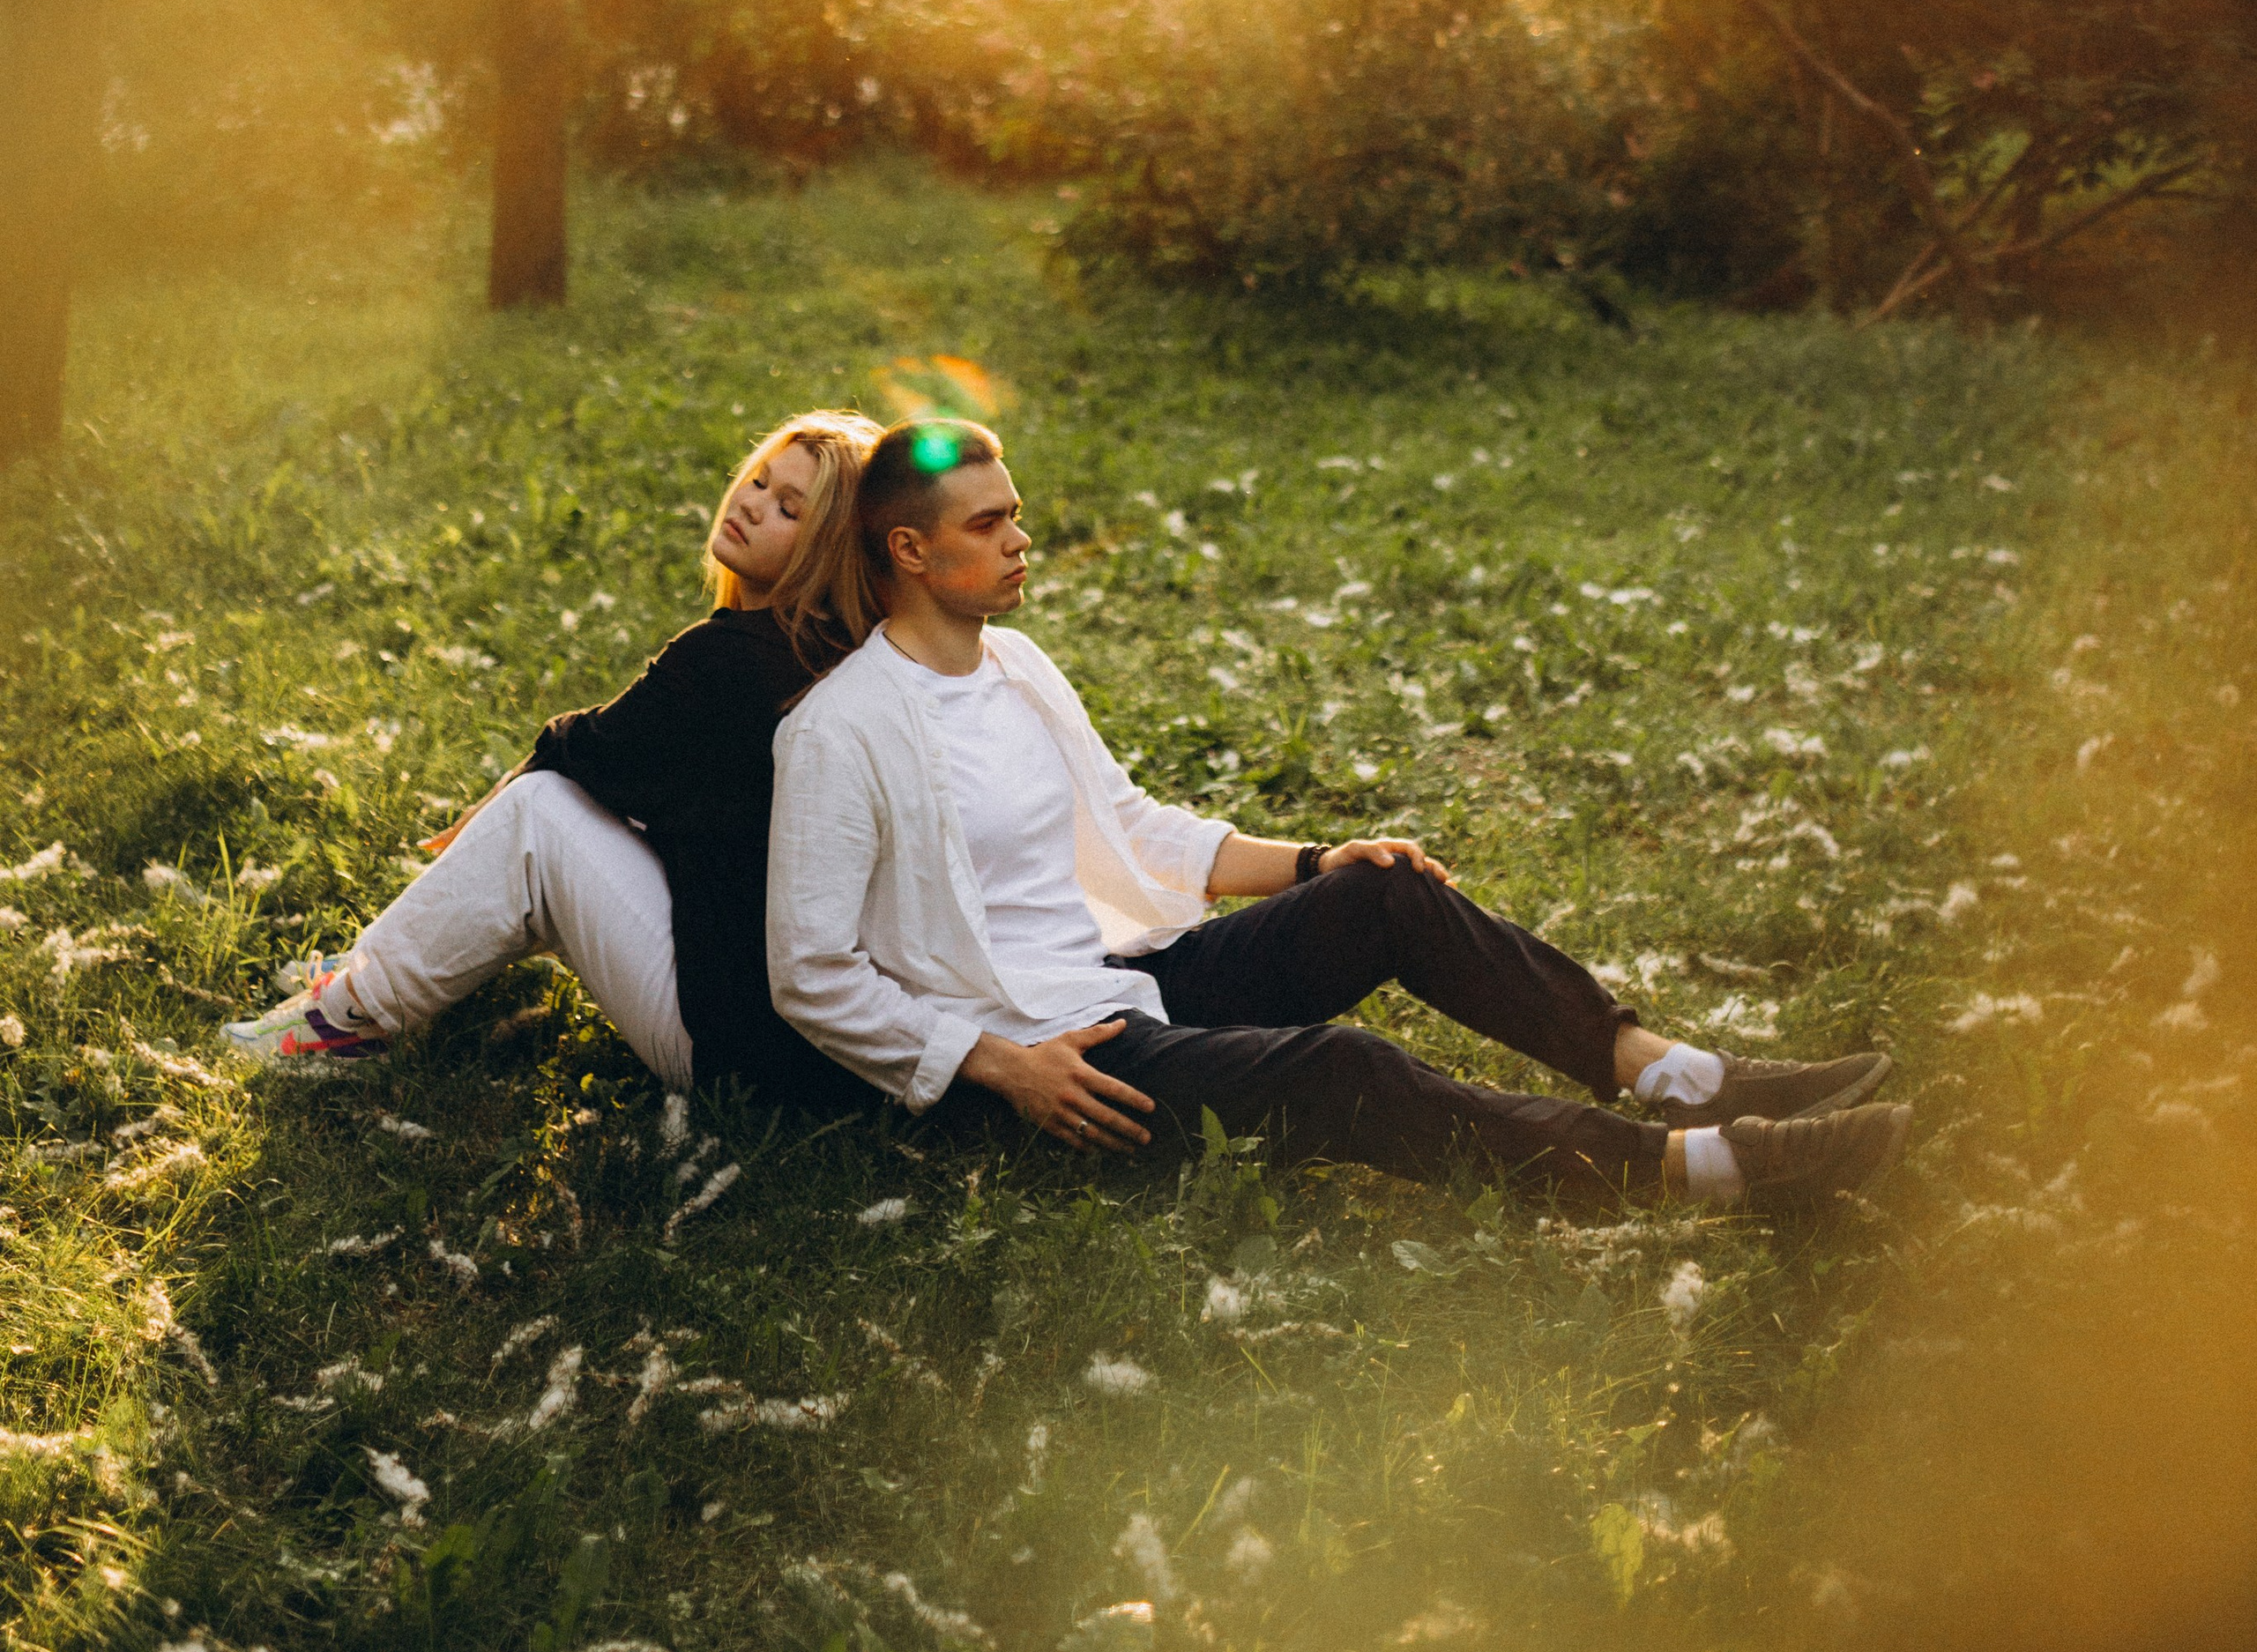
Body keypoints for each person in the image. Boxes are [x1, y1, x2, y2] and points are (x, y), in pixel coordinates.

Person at [769, 422, 1912, 1208]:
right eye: (988, 526)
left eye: (1017, 515)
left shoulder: (1014, 668)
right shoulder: (842, 732)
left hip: (1128, 989)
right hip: (1057, 1078)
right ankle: (1698, 1166)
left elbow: (1130, 824)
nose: (1022, 540)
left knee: (1388, 895)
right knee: (1339, 1071)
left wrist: (1320, 860)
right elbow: (810, 973)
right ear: (911, 551)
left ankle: (1679, 1073)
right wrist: (997, 1067)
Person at [226, 412, 881, 1103]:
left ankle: (346, 1018)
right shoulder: (822, 655)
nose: (751, 502)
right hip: (790, 1036)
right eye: (758, 479)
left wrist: (510, 793)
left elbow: (581, 751)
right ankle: (387, 964)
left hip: (734, 1052)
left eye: (788, 509)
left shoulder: (735, 664)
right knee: (563, 810)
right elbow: (616, 768)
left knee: (539, 815)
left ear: (828, 553)